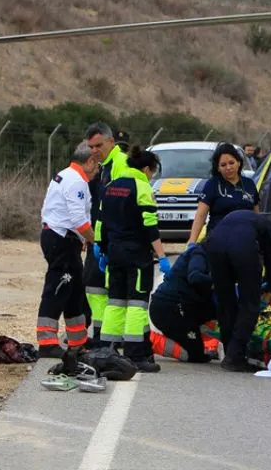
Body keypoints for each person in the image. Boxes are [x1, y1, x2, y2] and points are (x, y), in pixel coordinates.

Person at [99, 146, 166, 373]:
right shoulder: (142, 187)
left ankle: (106, 349)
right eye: (152, 173)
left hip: (114, 253)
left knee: (115, 302)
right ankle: (135, 354)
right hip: (137, 255)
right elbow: (150, 227)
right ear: (147, 169)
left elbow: (102, 223)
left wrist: (102, 250)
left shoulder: (110, 187)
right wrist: (162, 256)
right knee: (137, 304)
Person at [36, 142, 99, 358]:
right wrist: (95, 241)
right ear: (89, 162)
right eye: (97, 165)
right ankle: (47, 342)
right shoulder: (77, 181)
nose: (97, 170)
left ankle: (78, 339)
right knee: (59, 287)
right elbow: (79, 220)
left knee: (74, 291)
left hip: (62, 238)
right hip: (61, 239)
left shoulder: (66, 175)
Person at [206, 209, 271, 372]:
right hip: (242, 247)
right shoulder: (268, 227)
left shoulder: (237, 218)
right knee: (249, 304)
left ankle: (229, 351)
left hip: (214, 244)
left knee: (225, 302)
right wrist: (269, 286)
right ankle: (235, 356)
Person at [83, 122, 128, 347]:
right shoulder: (105, 167)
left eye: (98, 145)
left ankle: (109, 337)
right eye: (91, 147)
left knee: (110, 289)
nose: (94, 151)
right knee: (95, 285)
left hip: (113, 239)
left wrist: (109, 240)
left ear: (111, 142)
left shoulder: (120, 164)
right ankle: (102, 334)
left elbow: (120, 205)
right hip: (101, 239)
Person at [150, 243, 217, 363]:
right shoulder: (199, 254)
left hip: (184, 308)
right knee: (193, 355)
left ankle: (198, 342)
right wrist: (218, 283)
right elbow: (195, 277)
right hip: (170, 309)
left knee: (217, 315)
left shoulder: (212, 256)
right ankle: (149, 341)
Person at [186, 143, 259, 246]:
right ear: (218, 168)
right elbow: (200, 215)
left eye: (231, 163)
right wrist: (192, 241)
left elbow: (256, 214)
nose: (228, 167)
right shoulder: (212, 185)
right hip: (218, 241)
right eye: (223, 165)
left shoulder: (249, 184)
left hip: (246, 240)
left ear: (238, 162)